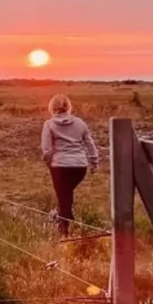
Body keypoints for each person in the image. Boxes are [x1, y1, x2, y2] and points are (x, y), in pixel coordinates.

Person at [41, 95, 99, 237]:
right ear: (69, 107)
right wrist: (94, 162)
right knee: (66, 194)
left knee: (63, 195)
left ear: (51, 107)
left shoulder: (49, 124)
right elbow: (90, 144)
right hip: (79, 167)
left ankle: (64, 229)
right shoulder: (80, 123)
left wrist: (48, 162)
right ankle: (64, 219)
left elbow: (47, 149)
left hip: (59, 166)